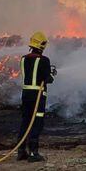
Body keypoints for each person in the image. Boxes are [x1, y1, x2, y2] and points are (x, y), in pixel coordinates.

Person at [17, 31, 54, 162]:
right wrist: (52, 74)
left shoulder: (23, 59)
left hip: (26, 95)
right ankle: (33, 153)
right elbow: (48, 79)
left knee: (25, 122)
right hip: (38, 96)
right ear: (42, 45)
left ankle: (21, 151)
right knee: (37, 123)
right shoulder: (44, 60)